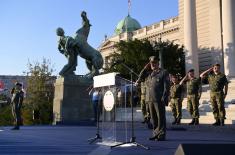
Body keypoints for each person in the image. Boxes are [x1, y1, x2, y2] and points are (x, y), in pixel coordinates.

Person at [147, 56, 170, 141]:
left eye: (154, 63)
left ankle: (161, 134)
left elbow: (166, 85)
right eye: (151, 63)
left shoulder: (163, 72)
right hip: (150, 99)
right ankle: (155, 133)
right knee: (154, 117)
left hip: (159, 98)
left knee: (160, 117)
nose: (152, 64)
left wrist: (165, 96)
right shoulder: (150, 74)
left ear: (158, 63)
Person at [136, 62, 152, 129]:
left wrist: (145, 68)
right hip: (143, 95)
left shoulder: (149, 74)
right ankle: (145, 117)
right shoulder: (142, 79)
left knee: (148, 108)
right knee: (143, 108)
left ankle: (148, 119)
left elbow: (142, 74)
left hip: (148, 95)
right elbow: (140, 76)